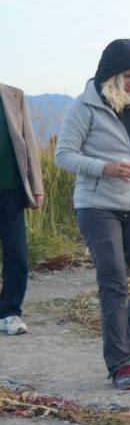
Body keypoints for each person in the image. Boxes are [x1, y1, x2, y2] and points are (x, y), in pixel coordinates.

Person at [55, 39, 130, 389]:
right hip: (97, 205)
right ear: (110, 75)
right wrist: (104, 168)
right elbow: (64, 155)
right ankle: (119, 364)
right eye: (127, 76)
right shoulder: (85, 106)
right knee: (114, 280)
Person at [0, 83, 44, 336]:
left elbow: (28, 140)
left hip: (11, 190)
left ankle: (10, 312)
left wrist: (37, 186)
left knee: (17, 254)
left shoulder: (14, 95)